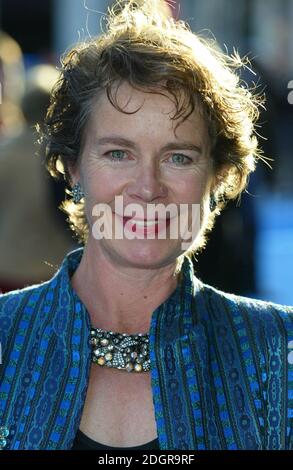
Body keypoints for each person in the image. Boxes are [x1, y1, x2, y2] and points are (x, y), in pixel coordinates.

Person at [0, 0, 292, 451]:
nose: (148, 187)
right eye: (119, 153)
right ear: (74, 169)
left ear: (217, 176)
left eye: (179, 157)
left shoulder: (280, 352)